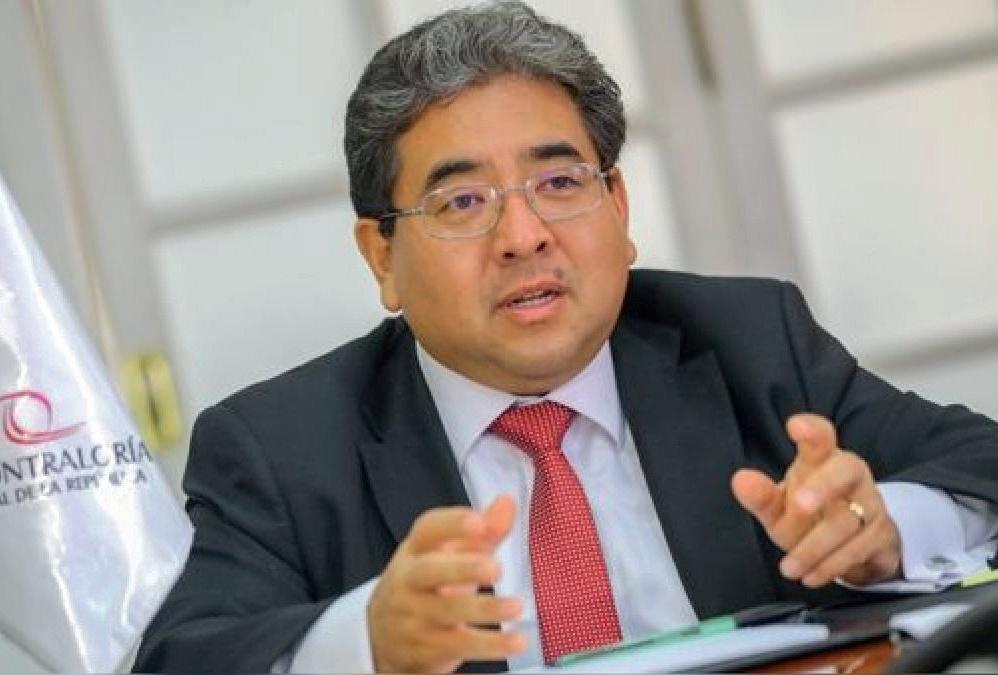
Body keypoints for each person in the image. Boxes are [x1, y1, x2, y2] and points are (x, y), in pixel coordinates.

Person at [133, 2, 998, 673]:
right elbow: (182, 658)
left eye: (558, 181)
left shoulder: (749, 341)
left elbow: (980, 466)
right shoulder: (283, 449)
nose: (524, 236)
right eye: (462, 201)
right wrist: (366, 640)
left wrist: (888, 530)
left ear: (617, 206)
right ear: (382, 254)